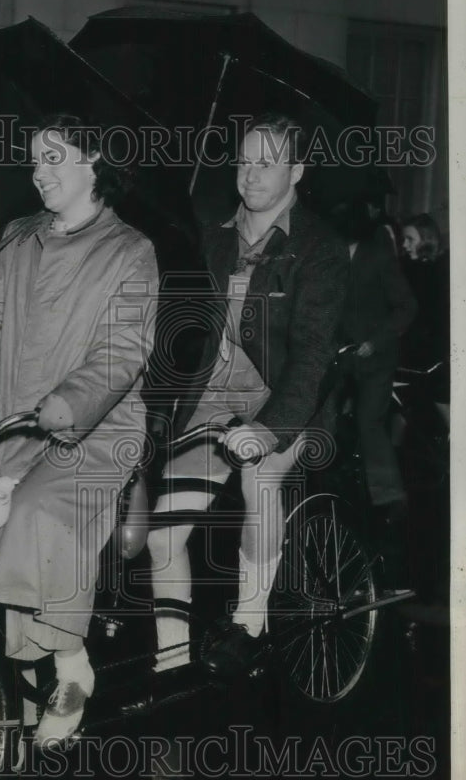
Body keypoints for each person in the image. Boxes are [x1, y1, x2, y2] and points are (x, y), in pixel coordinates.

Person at [0, 114, 158, 761]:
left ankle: (72, 665)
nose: (38, 171)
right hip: (13, 427)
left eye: (53, 157)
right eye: (33, 159)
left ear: (93, 161)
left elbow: (121, 352)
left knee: (34, 515)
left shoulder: (129, 250)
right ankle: (10, 720)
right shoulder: (18, 238)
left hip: (94, 432)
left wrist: (68, 402)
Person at [145, 112, 350, 682]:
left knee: (260, 476)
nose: (251, 173)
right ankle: (172, 658)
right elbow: (186, 333)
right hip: (214, 398)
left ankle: (250, 623)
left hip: (287, 399)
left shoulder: (320, 249)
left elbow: (312, 356)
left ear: (297, 171)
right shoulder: (213, 237)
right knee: (163, 529)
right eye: (244, 160)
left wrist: (269, 428)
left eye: (267, 163)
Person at [332, 197, 417, 559]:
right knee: (321, 412)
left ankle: (390, 497)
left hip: (377, 356)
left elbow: (407, 307)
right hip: (343, 353)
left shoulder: (379, 257)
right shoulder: (331, 259)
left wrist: (374, 341)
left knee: (369, 422)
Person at [400, 213, 449, 425]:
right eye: (403, 239)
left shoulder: (438, 271)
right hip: (415, 354)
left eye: (410, 239)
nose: (404, 245)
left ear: (426, 239)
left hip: (432, 357)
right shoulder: (409, 269)